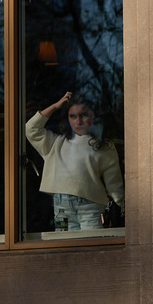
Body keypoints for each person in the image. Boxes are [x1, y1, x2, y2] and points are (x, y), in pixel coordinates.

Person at [25, 91, 125, 230]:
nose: (78, 121)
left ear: (94, 116)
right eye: (72, 116)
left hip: (91, 209)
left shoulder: (104, 147)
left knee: (91, 246)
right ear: (67, 118)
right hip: (61, 210)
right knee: (64, 245)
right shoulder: (56, 143)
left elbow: (113, 181)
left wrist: (122, 206)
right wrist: (55, 106)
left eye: (84, 115)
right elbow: (31, 129)